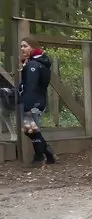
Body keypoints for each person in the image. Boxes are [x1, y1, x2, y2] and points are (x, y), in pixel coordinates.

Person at [18, 36, 57, 166]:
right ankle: (47, 154)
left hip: (33, 101)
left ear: (33, 47)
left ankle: (41, 156)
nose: (22, 48)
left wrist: (28, 105)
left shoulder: (33, 65)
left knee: (32, 130)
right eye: (21, 46)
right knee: (31, 130)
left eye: (25, 46)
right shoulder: (38, 63)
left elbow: (32, 85)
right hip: (37, 100)